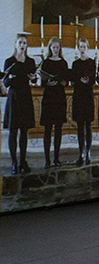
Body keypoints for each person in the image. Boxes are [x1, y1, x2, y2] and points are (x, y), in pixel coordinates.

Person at [2, 34, 37, 174]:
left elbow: (33, 80)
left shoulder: (30, 61)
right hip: (14, 97)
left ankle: (23, 161)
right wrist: (10, 78)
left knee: (24, 131)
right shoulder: (9, 61)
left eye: (24, 43)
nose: (22, 45)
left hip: (25, 97)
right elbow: (5, 82)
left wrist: (33, 78)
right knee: (13, 131)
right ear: (16, 45)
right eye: (20, 42)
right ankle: (14, 163)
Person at [39, 37, 69, 168]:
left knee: (58, 129)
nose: (55, 49)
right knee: (47, 129)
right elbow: (42, 81)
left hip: (59, 98)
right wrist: (47, 82)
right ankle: (47, 159)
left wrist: (63, 82)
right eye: (53, 47)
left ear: (60, 48)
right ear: (50, 48)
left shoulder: (63, 63)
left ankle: (56, 158)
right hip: (48, 98)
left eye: (57, 47)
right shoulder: (45, 62)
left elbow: (67, 81)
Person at [71, 38, 96, 165]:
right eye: (80, 46)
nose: (82, 49)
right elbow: (72, 79)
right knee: (80, 125)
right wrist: (78, 80)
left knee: (88, 124)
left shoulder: (92, 62)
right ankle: (81, 153)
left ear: (87, 48)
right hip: (78, 96)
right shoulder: (75, 64)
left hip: (88, 95)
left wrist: (88, 80)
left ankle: (88, 152)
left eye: (84, 46)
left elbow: (94, 79)